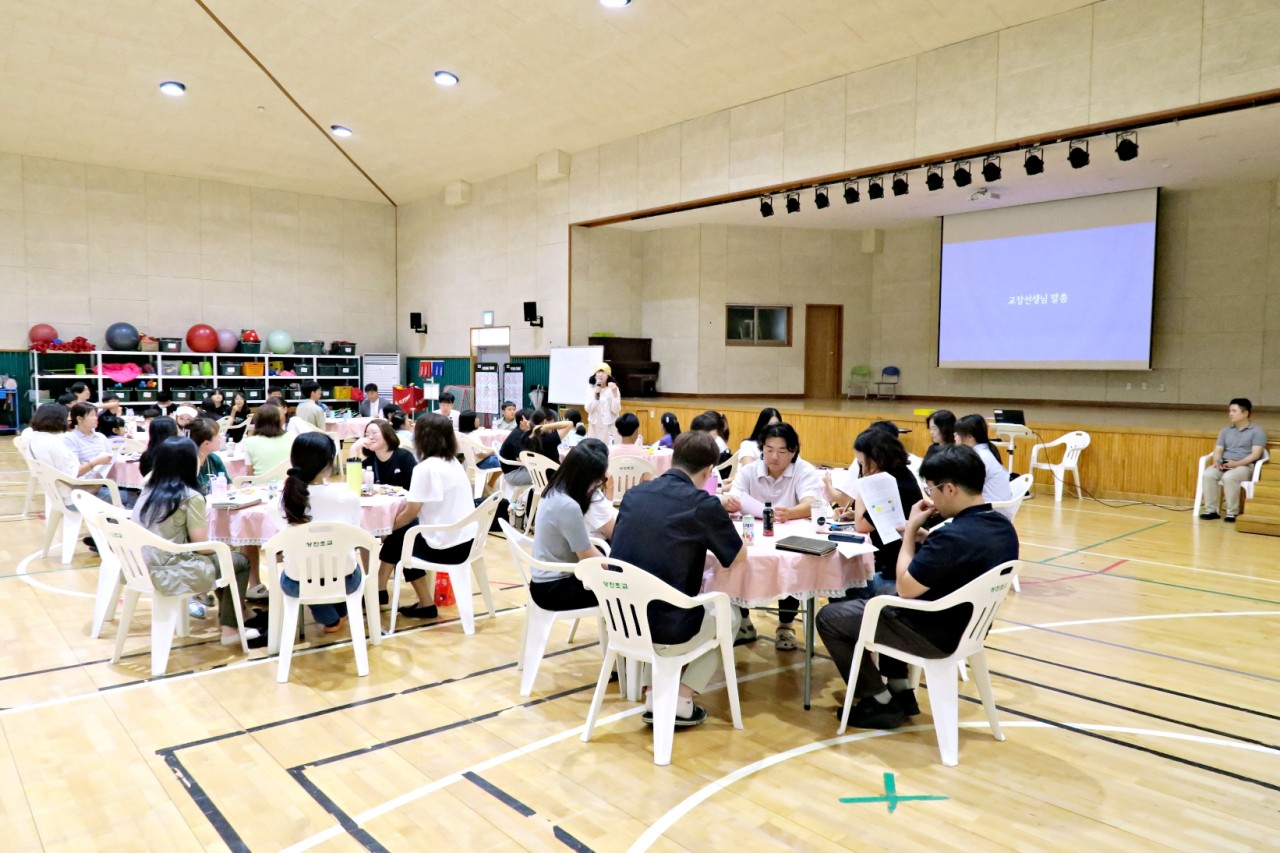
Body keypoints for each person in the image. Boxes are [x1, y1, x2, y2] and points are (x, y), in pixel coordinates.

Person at [817, 444, 1019, 728]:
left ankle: (877, 700)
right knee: (880, 594)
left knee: (830, 618)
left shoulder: (952, 536)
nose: (930, 497)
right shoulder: (1002, 527)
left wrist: (910, 532)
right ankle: (901, 689)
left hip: (933, 634)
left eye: (932, 490)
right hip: (969, 627)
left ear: (950, 489)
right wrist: (928, 539)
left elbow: (906, 588)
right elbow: (961, 564)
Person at [609, 431, 746, 726]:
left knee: (651, 584)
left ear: (673, 459)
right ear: (710, 471)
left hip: (623, 618)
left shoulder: (633, 495)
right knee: (729, 615)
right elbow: (737, 556)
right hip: (667, 626)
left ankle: (653, 693)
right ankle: (681, 699)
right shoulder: (702, 505)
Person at [132, 437, 262, 647]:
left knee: (223, 558)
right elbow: (201, 547)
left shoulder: (148, 489)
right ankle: (231, 628)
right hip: (170, 571)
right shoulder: (190, 496)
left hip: (139, 566)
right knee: (237, 561)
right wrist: (223, 548)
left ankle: (238, 613)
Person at [723, 422, 824, 650]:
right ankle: (745, 622)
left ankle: (786, 626)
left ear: (794, 451)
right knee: (735, 562)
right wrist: (730, 502)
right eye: (768, 450)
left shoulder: (803, 470)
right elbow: (734, 496)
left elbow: (811, 503)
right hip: (754, 537)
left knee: (792, 566)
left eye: (781, 451)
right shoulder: (750, 471)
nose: (774, 457)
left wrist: (791, 512)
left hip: (789, 537)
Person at [390, 413, 476, 620]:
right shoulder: (453, 462)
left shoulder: (425, 469)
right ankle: (402, 596)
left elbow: (411, 512)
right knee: (405, 535)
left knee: (399, 541)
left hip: (447, 546)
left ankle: (423, 602)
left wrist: (385, 529)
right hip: (468, 540)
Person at [279, 432, 363, 633]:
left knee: (300, 571)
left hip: (297, 582)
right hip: (345, 579)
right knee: (343, 568)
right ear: (328, 464)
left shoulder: (282, 500)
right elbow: (355, 540)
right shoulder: (347, 496)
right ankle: (337, 615)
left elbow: (280, 546)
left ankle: (331, 618)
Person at [530, 439, 610, 610]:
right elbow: (586, 556)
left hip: (544, 580)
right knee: (622, 591)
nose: (596, 486)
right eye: (597, 482)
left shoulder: (553, 490)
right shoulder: (568, 505)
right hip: (554, 589)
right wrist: (618, 571)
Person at [839, 427, 923, 585]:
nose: (863, 469)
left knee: (842, 582)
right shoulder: (900, 474)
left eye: (863, 464)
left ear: (878, 458)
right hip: (894, 564)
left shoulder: (892, 485)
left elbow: (861, 526)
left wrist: (862, 484)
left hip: (893, 573)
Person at [1199, 397, 1268, 522]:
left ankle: (1232, 513)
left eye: (1234, 411)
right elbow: (1218, 449)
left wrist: (1236, 464)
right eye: (1230, 410)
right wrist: (1218, 462)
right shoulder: (1225, 431)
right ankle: (1211, 510)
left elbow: (1256, 455)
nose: (1230, 413)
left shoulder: (1257, 431)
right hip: (1225, 464)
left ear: (1245, 413)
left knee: (1229, 477)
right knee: (1209, 474)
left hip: (1245, 466)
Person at [954, 415, 1013, 518]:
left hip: (992, 513)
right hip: (996, 510)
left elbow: (963, 489)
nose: (955, 437)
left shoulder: (979, 457)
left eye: (957, 434)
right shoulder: (984, 452)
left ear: (970, 437)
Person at [240, 403, 294, 477]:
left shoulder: (249, 442)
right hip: (288, 484)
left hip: (260, 486)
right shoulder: (292, 437)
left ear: (257, 421)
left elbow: (250, 474)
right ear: (279, 420)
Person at [65, 402, 114, 479]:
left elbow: (111, 459)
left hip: (105, 479)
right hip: (84, 484)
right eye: (92, 415)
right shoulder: (70, 439)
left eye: (96, 415)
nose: (96, 418)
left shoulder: (101, 437)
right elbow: (74, 472)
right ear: (79, 419)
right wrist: (95, 462)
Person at [188, 417, 228, 494]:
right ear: (206, 443)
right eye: (218, 435)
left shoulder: (214, 459)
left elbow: (229, 485)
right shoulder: (189, 464)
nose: (221, 438)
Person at [585, 363, 621, 443]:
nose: (600, 374)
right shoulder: (591, 389)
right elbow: (588, 409)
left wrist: (614, 393)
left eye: (603, 372)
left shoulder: (613, 389)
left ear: (608, 375)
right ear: (595, 375)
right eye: (598, 372)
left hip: (610, 427)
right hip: (594, 427)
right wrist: (596, 395)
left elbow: (616, 410)